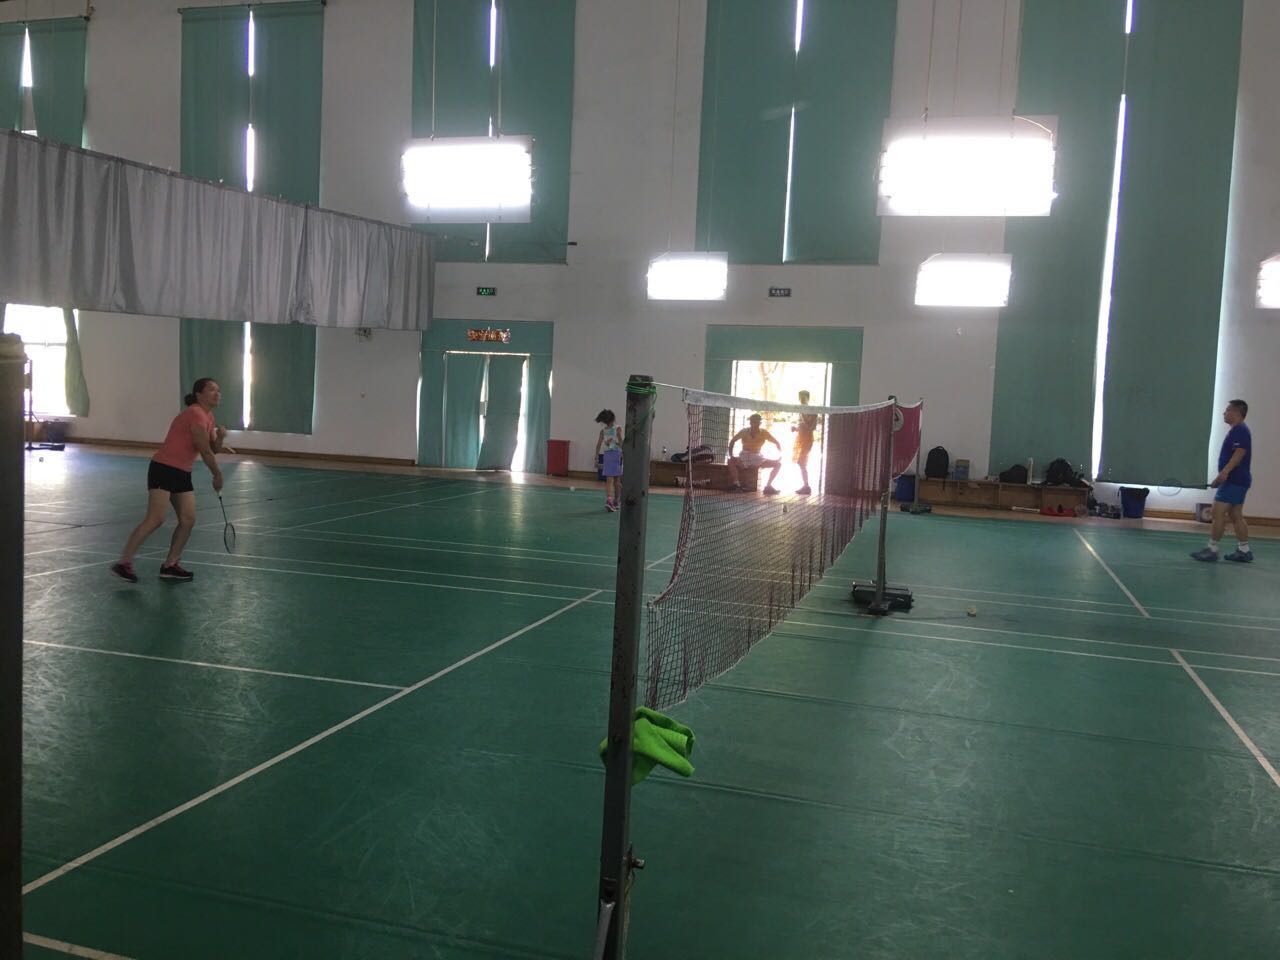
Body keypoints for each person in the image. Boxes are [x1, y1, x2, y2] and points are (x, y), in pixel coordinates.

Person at [111, 378, 231, 583]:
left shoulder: (208, 416)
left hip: (182, 471)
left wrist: (220, 436)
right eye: (212, 390)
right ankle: (124, 563)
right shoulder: (195, 414)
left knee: (188, 520)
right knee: (156, 518)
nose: (217, 393)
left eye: (218, 390)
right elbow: (204, 450)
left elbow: (213, 448)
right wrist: (217, 474)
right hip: (164, 468)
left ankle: (170, 565)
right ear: (199, 394)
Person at [1191, 399, 1253, 563]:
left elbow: (1239, 453)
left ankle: (1212, 549)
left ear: (1236, 413)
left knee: (1217, 512)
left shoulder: (1240, 430)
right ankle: (1244, 551)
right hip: (1238, 480)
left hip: (1234, 481)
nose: (1224, 413)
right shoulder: (1238, 430)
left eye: (1227, 410)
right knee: (1235, 514)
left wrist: (1223, 474)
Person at [728, 413, 782, 494]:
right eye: (753, 421)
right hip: (744, 457)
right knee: (730, 461)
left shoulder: (764, 432)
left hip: (757, 458)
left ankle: (768, 486)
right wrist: (731, 455)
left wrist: (779, 453)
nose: (755, 423)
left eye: (757, 421)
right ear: (750, 422)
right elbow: (732, 441)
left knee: (778, 464)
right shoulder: (744, 431)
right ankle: (736, 485)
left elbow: (776, 442)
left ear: (760, 423)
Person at [595, 409, 623, 513]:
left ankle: (610, 500)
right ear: (613, 418)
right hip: (616, 455)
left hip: (607, 455)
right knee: (617, 481)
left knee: (609, 480)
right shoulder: (618, 428)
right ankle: (616, 501)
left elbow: (598, 445)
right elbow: (621, 443)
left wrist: (596, 457)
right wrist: (616, 443)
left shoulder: (603, 431)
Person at [791, 390, 819, 495]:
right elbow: (803, 426)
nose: (802, 399)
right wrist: (796, 428)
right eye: (800, 397)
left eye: (804, 397)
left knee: (801, 462)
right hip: (800, 438)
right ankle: (806, 486)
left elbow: (809, 426)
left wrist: (802, 412)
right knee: (801, 462)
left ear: (808, 398)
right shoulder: (801, 410)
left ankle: (806, 486)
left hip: (807, 439)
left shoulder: (812, 410)